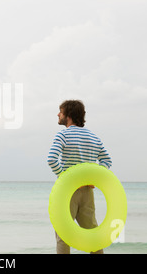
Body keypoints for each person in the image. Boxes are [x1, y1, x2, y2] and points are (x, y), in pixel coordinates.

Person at [47, 100, 112, 254]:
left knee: (63, 235)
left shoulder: (63, 134)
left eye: (60, 111)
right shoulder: (93, 137)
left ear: (68, 115)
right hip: (87, 192)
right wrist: (93, 178)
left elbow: (51, 159)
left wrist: (65, 177)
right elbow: (107, 160)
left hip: (67, 192)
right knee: (92, 234)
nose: (58, 114)